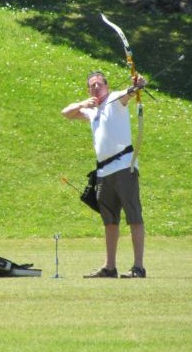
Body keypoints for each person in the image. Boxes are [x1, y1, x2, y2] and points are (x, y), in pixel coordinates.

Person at [61, 71, 147, 279]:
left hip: (124, 166)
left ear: (107, 86)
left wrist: (138, 84)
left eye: (99, 84)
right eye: (92, 86)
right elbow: (66, 112)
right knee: (109, 220)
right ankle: (109, 267)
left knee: (133, 216)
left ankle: (138, 267)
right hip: (103, 171)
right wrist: (84, 103)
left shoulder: (116, 98)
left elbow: (130, 91)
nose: (96, 88)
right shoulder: (92, 110)